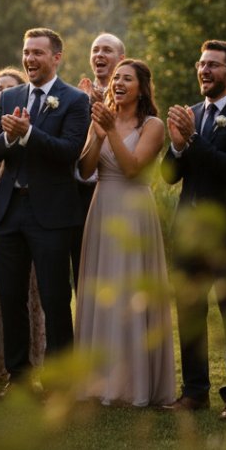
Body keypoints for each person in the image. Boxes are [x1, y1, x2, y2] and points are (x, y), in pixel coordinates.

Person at [161, 40, 226, 420]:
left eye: (213, 65)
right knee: (189, 311)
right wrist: (175, 148)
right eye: (201, 64)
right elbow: (169, 176)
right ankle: (194, 392)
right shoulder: (189, 113)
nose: (204, 71)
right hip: (189, 229)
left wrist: (191, 140)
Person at [0, 28, 90, 387]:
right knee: (10, 298)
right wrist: (10, 138)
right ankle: (20, 376)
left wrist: (28, 134)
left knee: (54, 299)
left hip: (52, 214)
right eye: (27, 52)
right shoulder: (10, 95)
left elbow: (69, 151)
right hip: (8, 211)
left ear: (56, 57)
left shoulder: (74, 100)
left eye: (38, 53)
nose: (30, 59)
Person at [75, 59, 175, 407]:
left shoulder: (153, 125)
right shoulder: (102, 118)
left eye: (126, 79)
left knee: (131, 287)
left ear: (142, 87)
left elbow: (133, 168)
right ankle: (97, 380)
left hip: (133, 209)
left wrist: (111, 132)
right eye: (116, 77)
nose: (118, 82)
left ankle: (134, 384)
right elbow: (86, 169)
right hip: (101, 206)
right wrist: (98, 134)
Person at [0, 67, 45, 390]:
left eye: (10, 87)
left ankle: (35, 360)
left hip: (30, 208)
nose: (3, 91)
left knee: (30, 292)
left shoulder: (36, 125)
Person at [73, 33, 126, 288]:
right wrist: (86, 104)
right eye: (95, 50)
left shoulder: (133, 100)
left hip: (119, 190)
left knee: (118, 266)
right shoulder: (76, 98)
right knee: (84, 269)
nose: (99, 55)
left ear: (121, 58)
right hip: (81, 192)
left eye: (107, 50)